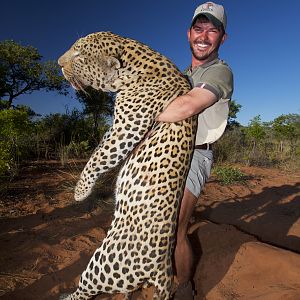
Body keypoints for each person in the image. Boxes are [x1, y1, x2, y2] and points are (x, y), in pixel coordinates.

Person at [156, 2, 234, 299]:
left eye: (212, 30)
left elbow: (187, 106)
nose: (204, 36)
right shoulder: (180, 73)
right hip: (164, 151)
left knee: (174, 226)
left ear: (222, 38)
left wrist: (138, 115)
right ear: (188, 33)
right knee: (154, 221)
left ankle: (184, 286)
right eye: (198, 29)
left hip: (195, 154)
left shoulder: (220, 72)